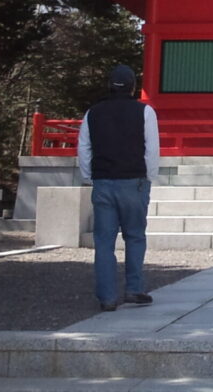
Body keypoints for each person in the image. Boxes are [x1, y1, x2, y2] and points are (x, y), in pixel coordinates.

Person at [77, 64, 160, 311]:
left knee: (104, 241)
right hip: (134, 180)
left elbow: (84, 147)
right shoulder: (145, 112)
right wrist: (149, 176)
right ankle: (134, 288)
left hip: (103, 181)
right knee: (135, 236)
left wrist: (88, 176)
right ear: (134, 86)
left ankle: (107, 297)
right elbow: (151, 148)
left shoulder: (93, 113)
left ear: (109, 85)